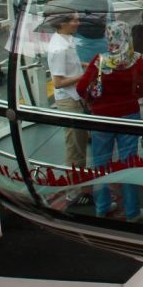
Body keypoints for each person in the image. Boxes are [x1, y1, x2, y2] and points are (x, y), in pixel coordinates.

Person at [78, 21, 143, 222]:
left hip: (101, 117)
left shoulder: (99, 60)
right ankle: (133, 212)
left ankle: (102, 207)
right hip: (129, 116)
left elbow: (81, 88)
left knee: (100, 163)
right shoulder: (139, 61)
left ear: (108, 37)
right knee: (128, 164)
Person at [46, 12, 90, 205]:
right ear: (61, 23)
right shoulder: (58, 49)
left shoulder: (66, 40)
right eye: (73, 20)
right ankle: (74, 193)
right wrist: (85, 76)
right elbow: (58, 82)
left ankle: (80, 186)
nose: (77, 23)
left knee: (79, 143)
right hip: (69, 101)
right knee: (75, 147)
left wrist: (84, 65)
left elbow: (69, 65)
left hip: (75, 98)